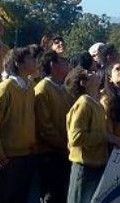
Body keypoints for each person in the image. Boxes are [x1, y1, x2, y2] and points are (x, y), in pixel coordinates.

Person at [0, 47, 39, 203]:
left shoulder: (29, 87)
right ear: (18, 63)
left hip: (26, 156)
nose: (35, 61)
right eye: (30, 58)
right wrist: (0, 155)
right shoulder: (5, 88)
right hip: (8, 159)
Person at [65, 67, 112, 203]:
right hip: (84, 168)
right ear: (83, 83)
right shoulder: (84, 103)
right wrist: (103, 137)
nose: (94, 72)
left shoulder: (95, 103)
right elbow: (75, 138)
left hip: (96, 166)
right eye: (89, 73)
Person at [35, 50, 74, 203]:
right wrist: (64, 145)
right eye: (63, 61)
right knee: (51, 195)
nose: (67, 65)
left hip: (63, 152)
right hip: (49, 154)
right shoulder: (42, 89)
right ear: (53, 65)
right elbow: (44, 127)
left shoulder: (63, 88)